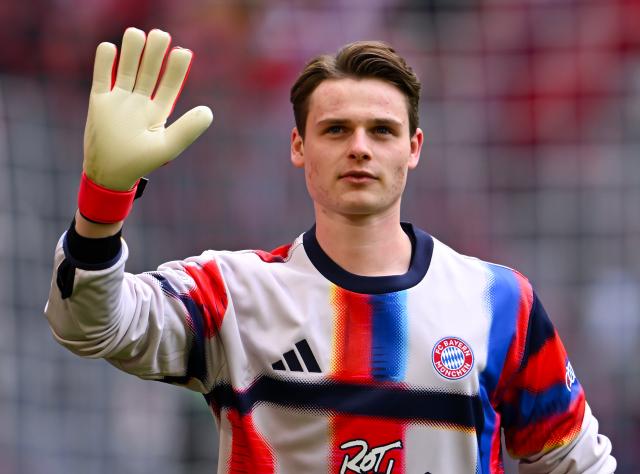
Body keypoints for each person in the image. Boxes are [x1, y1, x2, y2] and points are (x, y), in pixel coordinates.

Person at [45, 27, 616, 474]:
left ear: (414, 149)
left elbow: (577, 462)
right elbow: (93, 326)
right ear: (299, 146)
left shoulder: (499, 302)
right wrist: (102, 203)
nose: (360, 148)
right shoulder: (233, 293)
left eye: (383, 131)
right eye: (336, 129)